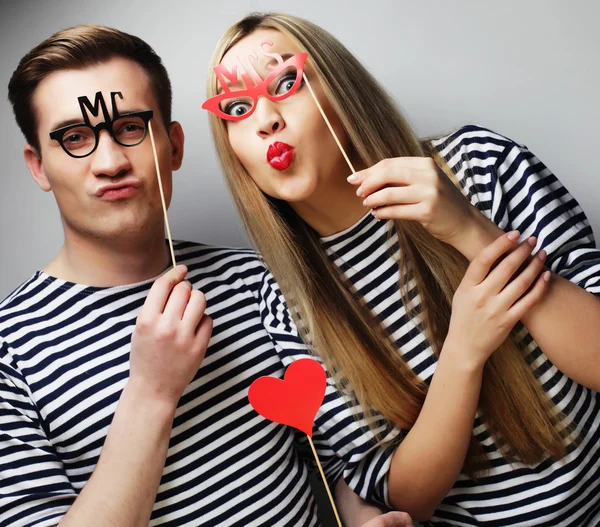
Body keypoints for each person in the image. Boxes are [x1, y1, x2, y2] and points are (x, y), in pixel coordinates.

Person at [1, 24, 416, 527]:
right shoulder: (10, 352)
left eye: (131, 128)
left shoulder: (257, 281)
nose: (110, 162)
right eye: (75, 138)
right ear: (38, 167)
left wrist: (362, 516)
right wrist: (152, 393)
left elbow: (331, 455)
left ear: (174, 146)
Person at [203, 12, 600, 526]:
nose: (266, 120)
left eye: (285, 82)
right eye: (237, 108)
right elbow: (407, 499)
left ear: (341, 86)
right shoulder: (285, 311)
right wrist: (462, 353)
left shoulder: (481, 166)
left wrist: (468, 230)